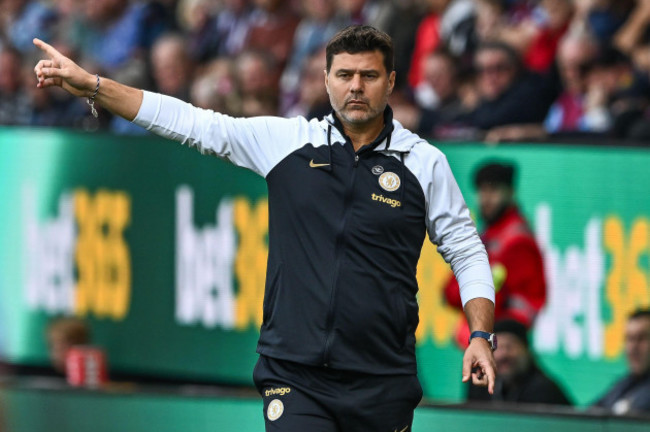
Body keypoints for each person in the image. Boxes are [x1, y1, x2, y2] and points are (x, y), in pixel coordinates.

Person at [33, 25, 496, 431]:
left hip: (381, 378)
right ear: (326, 80)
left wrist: (480, 335)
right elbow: (192, 124)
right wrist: (94, 86)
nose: (356, 87)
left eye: (369, 76)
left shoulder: (424, 163)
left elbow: (467, 250)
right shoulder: (287, 143)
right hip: (294, 372)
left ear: (391, 82)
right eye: (345, 75)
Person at [445, 161, 546, 348]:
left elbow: (523, 307)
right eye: (482, 191)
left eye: (494, 191)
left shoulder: (516, 242)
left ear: (511, 192)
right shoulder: (489, 235)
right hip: (483, 345)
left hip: (501, 350)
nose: (486, 199)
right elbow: (449, 292)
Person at [468, 319, 571, 405]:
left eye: (509, 347)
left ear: (526, 350)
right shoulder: (484, 385)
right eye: (496, 348)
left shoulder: (543, 390)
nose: (503, 355)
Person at [594, 309, 650, 415]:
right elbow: (588, 416)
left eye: (641, 338)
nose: (633, 347)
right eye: (629, 339)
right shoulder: (623, 384)